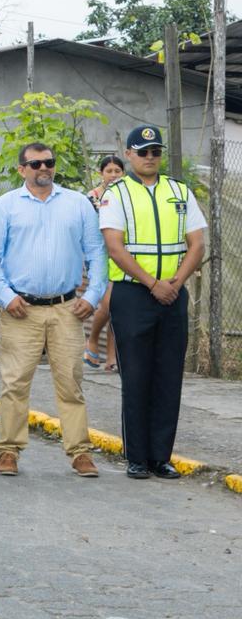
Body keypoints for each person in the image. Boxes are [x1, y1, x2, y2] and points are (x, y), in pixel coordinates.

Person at [0, 143, 107, 478]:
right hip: (20, 309)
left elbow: (96, 252)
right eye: (35, 163)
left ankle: (80, 452)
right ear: (21, 169)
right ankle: (9, 450)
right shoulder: (4, 206)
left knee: (71, 383)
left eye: (48, 162)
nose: (43, 168)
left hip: (67, 308)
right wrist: (5, 297)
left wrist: (93, 295)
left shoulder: (77, 204)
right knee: (14, 383)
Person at [99, 125, 206, 480]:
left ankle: (161, 457)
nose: (149, 157)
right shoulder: (117, 193)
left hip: (172, 294)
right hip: (133, 294)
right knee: (136, 375)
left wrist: (175, 283)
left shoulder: (179, 191)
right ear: (128, 154)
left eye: (155, 152)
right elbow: (115, 247)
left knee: (168, 377)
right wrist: (152, 284)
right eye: (142, 151)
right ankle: (137, 457)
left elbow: (197, 244)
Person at [85, 155, 126, 372]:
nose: (113, 175)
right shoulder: (91, 198)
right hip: (100, 255)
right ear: (101, 173)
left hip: (121, 253)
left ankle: (111, 357)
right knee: (108, 303)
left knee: (117, 307)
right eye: (109, 171)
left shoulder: (127, 195)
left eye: (117, 171)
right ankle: (92, 339)